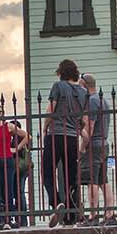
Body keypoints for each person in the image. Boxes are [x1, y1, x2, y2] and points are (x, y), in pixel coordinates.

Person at [43, 59, 90, 225]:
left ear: (61, 72)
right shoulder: (84, 92)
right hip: (71, 138)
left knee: (48, 172)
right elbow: (84, 120)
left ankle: (56, 203)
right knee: (71, 177)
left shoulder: (58, 86)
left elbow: (50, 110)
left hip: (55, 134)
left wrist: (45, 127)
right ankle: (70, 214)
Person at [80, 73, 116, 224]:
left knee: (91, 181)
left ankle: (92, 216)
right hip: (104, 144)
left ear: (85, 85)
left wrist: (83, 146)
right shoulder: (103, 100)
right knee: (103, 180)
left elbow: (90, 126)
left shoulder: (91, 102)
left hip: (93, 145)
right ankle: (110, 214)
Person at [0, 106, 25, 225]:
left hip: (7, 160)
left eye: (2, 112)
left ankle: (10, 218)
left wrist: (16, 148)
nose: (0, 114)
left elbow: (26, 136)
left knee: (8, 190)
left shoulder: (8, 126)